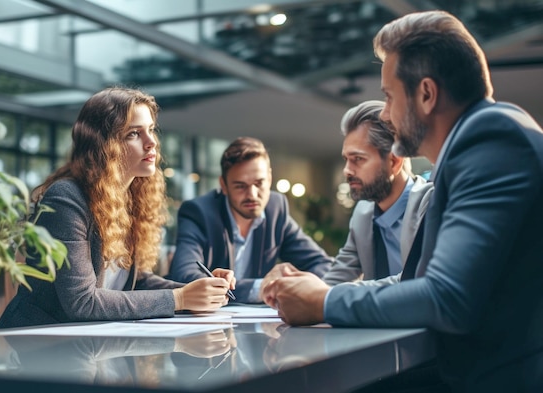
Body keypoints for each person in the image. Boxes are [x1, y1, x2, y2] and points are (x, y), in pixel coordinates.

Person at [263, 10, 543, 392]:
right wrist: (322, 294)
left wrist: (325, 303)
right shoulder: (476, 143)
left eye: (389, 96)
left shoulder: (490, 139)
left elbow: (447, 298)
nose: (385, 112)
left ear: (426, 94)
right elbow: (416, 281)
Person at [0, 87, 235, 329]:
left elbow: (134, 282)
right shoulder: (67, 198)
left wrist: (202, 291)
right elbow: (82, 302)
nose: (151, 142)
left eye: (151, 130)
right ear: (104, 145)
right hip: (36, 345)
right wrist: (180, 298)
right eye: (134, 133)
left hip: (87, 343)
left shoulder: (130, 197)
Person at [261, 100, 433, 297]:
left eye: (358, 159)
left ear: (393, 162)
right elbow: (333, 280)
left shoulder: (430, 205)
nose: (347, 171)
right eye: (346, 160)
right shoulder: (363, 213)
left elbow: (417, 280)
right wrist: (297, 289)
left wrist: (328, 294)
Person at [168, 136, 332, 304]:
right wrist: (262, 288)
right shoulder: (199, 212)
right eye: (240, 186)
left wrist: (295, 284)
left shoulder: (275, 209)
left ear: (269, 178)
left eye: (259, 183)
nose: (252, 195)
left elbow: (323, 264)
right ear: (223, 185)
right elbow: (184, 275)